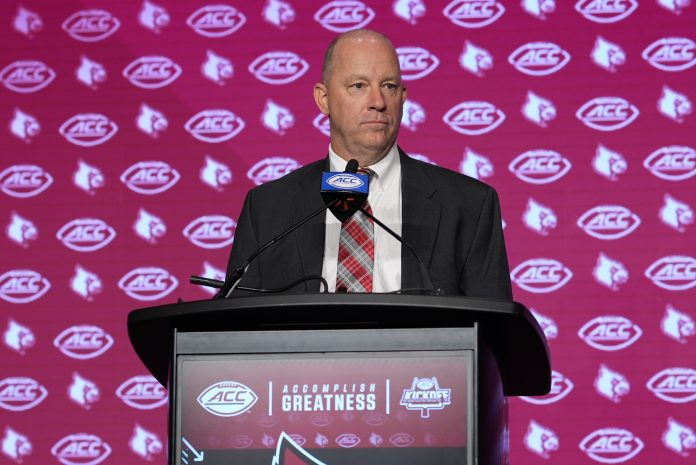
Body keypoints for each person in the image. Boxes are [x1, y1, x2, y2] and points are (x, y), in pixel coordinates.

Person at [225, 29, 512, 299]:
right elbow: (235, 332)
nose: (377, 101)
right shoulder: (267, 209)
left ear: (402, 98)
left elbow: (494, 336)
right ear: (323, 99)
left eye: (388, 86)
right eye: (358, 85)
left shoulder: (469, 206)